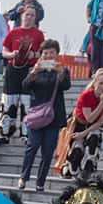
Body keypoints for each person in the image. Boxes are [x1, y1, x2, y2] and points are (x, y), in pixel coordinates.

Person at [18, 40, 71, 193]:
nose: (48, 55)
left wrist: (60, 72)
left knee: (48, 152)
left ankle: (40, 182)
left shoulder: (62, 70)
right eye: (45, 53)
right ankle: (24, 177)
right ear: (41, 55)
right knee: (32, 146)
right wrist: (34, 72)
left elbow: (66, 86)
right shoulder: (35, 70)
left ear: (57, 54)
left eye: (52, 52)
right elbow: (25, 85)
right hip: (37, 116)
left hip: (54, 117)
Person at [0, 7, 45, 145]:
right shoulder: (13, 32)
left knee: (27, 102)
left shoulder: (38, 34)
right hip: (13, 68)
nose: (29, 17)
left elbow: (43, 54)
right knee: (8, 101)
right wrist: (12, 54)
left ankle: (26, 134)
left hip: (29, 70)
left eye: (32, 15)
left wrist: (34, 55)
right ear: (22, 16)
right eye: (27, 14)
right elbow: (4, 51)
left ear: (35, 18)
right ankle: (4, 133)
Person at [62, 67, 103, 181]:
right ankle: (70, 166)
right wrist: (102, 103)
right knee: (77, 152)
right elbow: (89, 118)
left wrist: (85, 133)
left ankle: (89, 168)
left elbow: (100, 121)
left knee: (93, 143)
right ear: (95, 82)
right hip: (80, 123)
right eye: (101, 83)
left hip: (95, 126)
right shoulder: (86, 95)